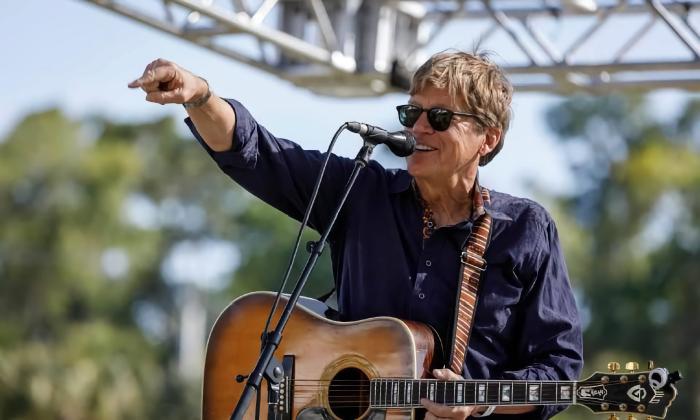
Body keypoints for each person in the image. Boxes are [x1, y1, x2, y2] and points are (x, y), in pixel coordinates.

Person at [129, 51, 583, 419]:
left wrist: (478, 399)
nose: (417, 127)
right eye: (412, 112)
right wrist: (200, 97)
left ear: (487, 138)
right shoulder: (360, 190)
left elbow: (560, 371)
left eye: (439, 118)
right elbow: (261, 156)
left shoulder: (525, 229)